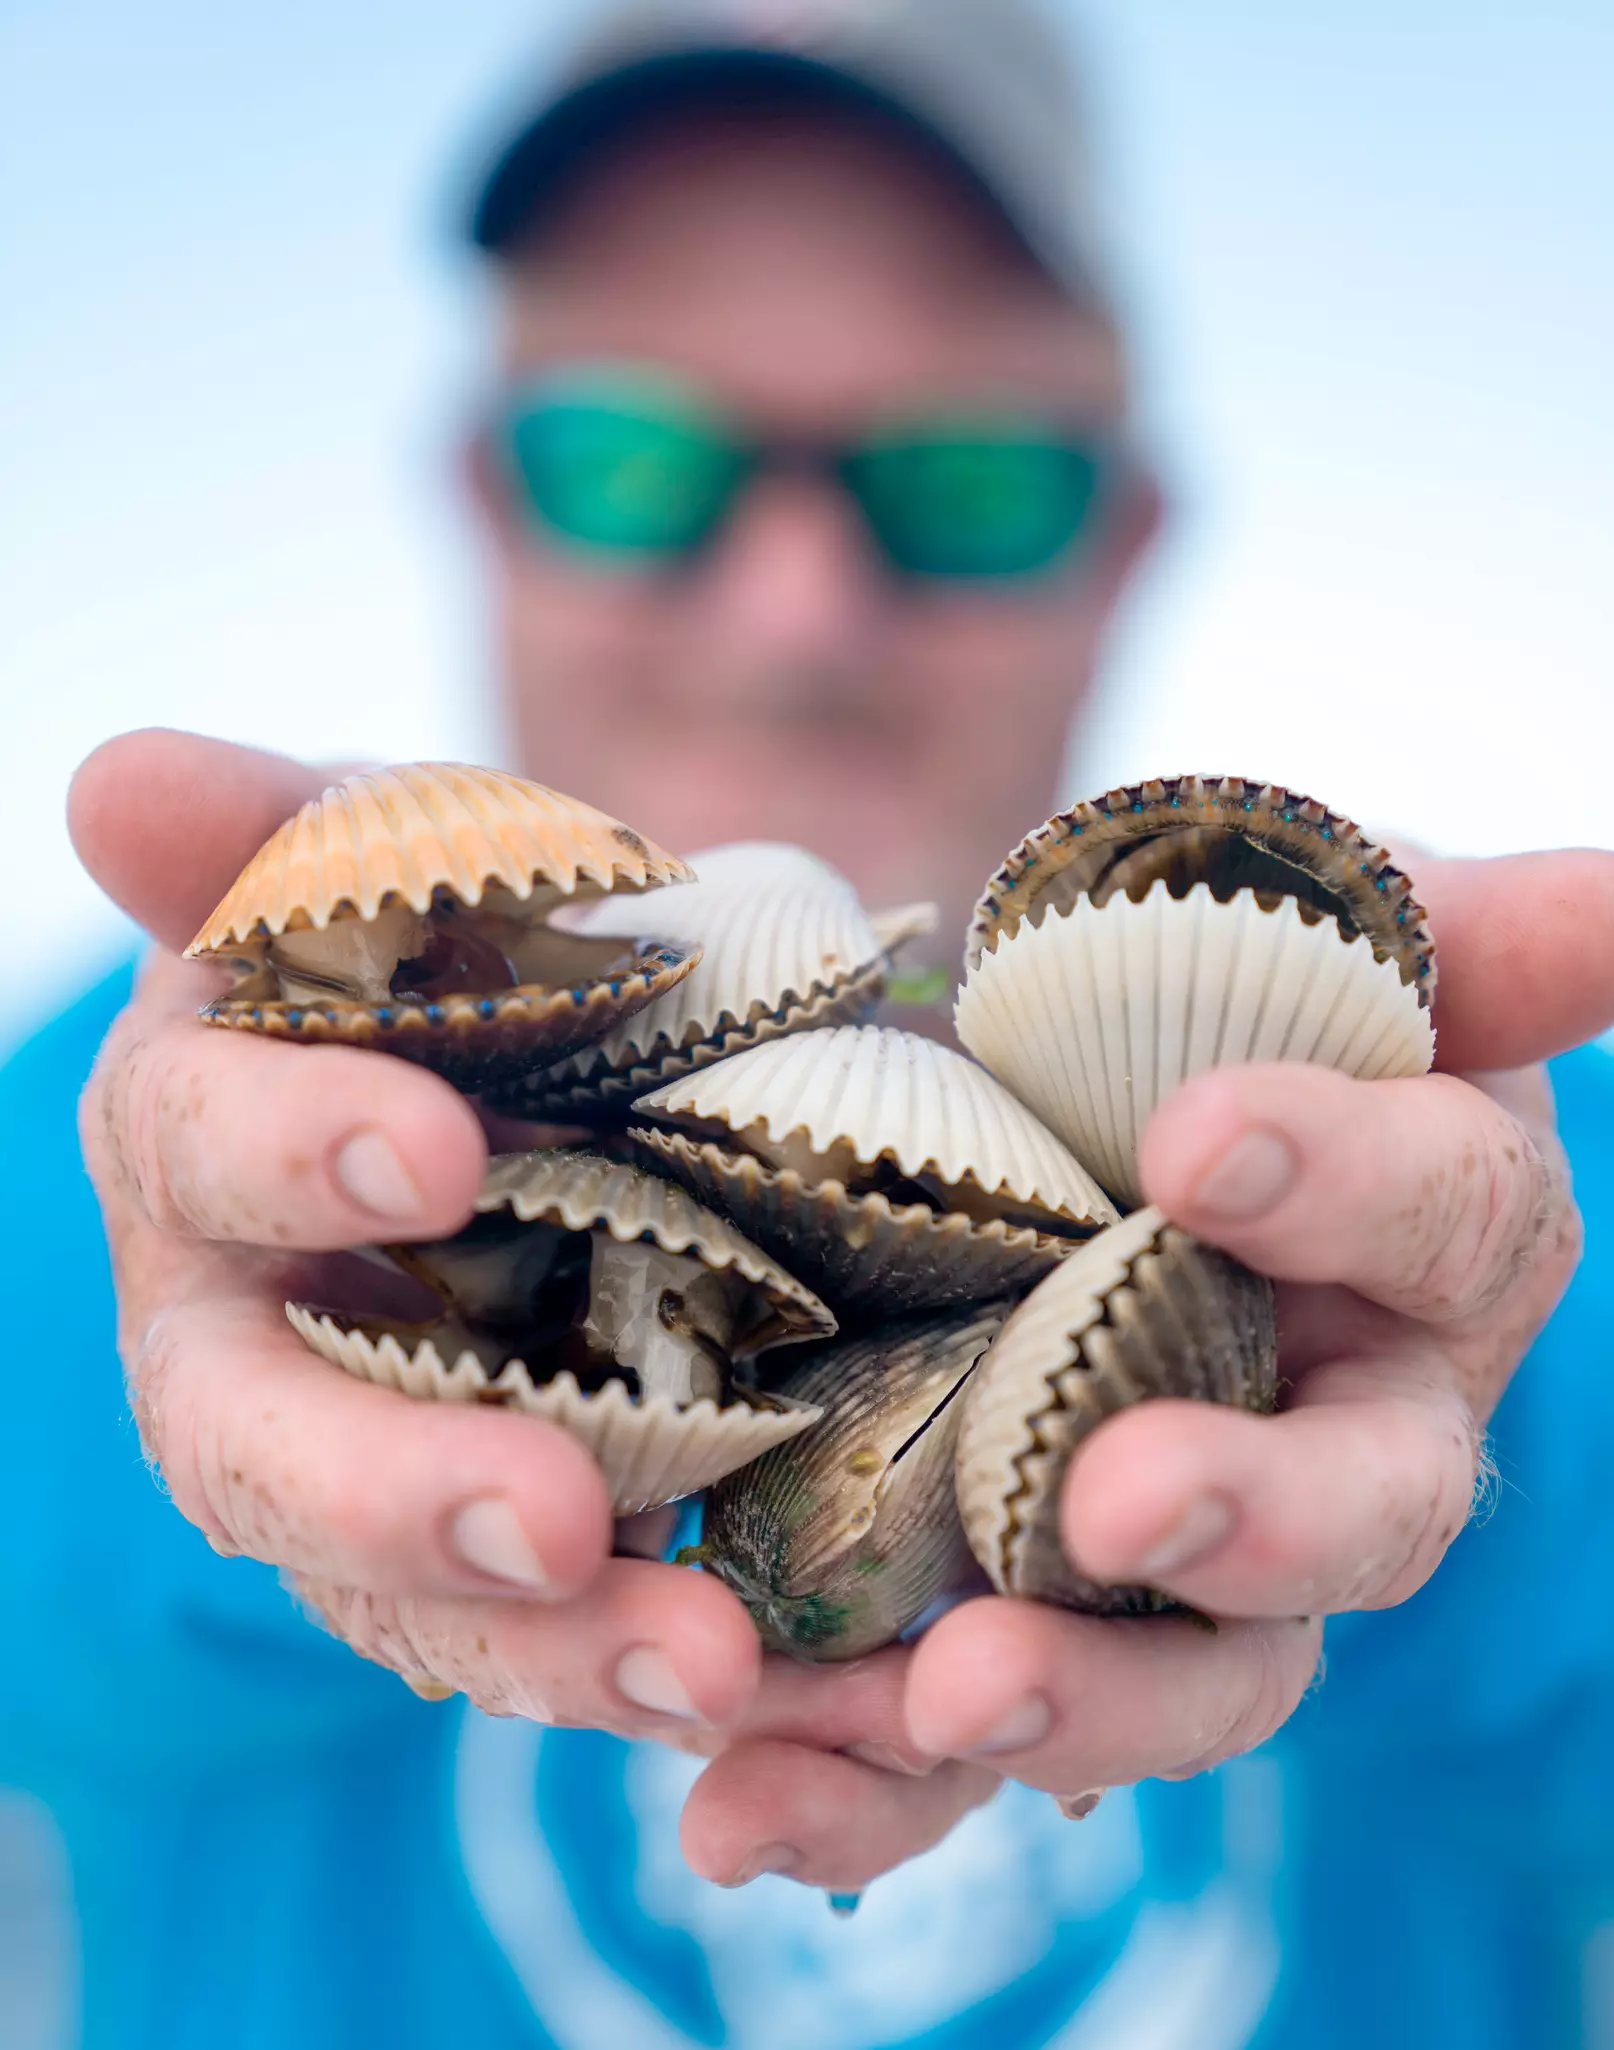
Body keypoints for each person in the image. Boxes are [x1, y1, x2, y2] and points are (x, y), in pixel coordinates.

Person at [7, 2, 1614, 2045]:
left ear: (1125, 542)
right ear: (486, 499)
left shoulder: (1497, 1163)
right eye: (634, 464)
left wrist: (1464, 1402)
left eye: (961, 484)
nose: (789, 613)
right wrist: (259, 1352)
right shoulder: (130, 1124)